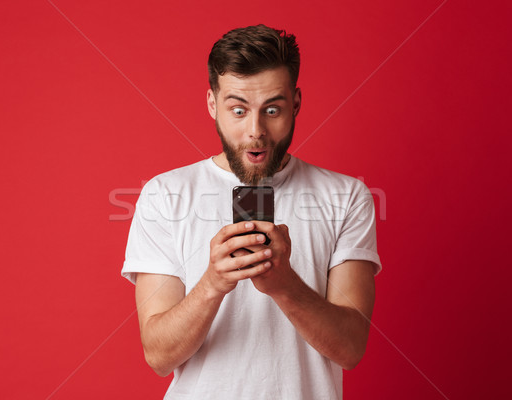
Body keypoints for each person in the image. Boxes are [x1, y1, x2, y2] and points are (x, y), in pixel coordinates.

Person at [122, 24, 381, 400]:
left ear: (296, 103)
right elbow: (159, 355)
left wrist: (285, 285)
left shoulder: (346, 196)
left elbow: (350, 348)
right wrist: (213, 283)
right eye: (238, 110)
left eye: (272, 109)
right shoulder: (164, 195)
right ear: (213, 104)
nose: (255, 131)